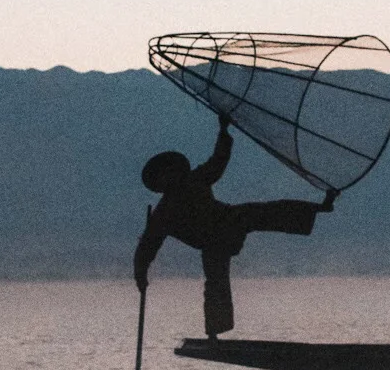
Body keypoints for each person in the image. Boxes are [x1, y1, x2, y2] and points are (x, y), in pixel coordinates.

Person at [133, 119, 334, 337]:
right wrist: (140, 275)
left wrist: (223, 131)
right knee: (216, 281)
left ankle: (318, 208)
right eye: (165, 175)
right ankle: (214, 332)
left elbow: (218, 161)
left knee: (264, 211)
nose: (170, 176)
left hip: (229, 219)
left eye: (171, 171)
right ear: (160, 183)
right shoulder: (163, 213)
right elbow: (147, 247)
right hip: (212, 243)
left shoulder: (195, 179)